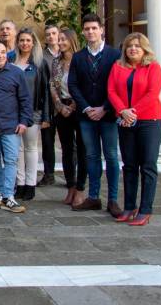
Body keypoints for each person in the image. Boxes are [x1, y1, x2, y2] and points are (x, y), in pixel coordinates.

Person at [68, 14, 122, 217]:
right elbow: (72, 84)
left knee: (111, 156)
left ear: (101, 30)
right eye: (87, 29)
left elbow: (118, 85)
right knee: (91, 156)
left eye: (94, 28)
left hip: (108, 114)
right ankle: (93, 197)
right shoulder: (79, 56)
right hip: (86, 116)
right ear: (83, 31)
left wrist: (105, 108)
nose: (90, 32)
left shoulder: (115, 55)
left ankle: (113, 199)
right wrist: (86, 108)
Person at [108, 33, 161, 226]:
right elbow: (111, 91)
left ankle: (145, 209)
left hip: (150, 121)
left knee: (147, 166)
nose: (133, 49)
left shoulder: (153, 67)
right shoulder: (118, 66)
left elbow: (153, 93)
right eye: (130, 46)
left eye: (137, 47)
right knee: (130, 166)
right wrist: (123, 111)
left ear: (145, 49)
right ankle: (129, 207)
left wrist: (132, 112)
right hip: (125, 121)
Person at [0, 40, 32, 213]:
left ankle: (9, 196)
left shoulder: (17, 73)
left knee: (11, 160)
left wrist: (24, 121)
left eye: (3, 52)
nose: (0, 55)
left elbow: (25, 99)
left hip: (11, 125)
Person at [11, 28, 50, 202]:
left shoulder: (40, 63)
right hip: (12, 112)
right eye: (22, 40)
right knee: (17, 150)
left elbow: (46, 91)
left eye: (28, 40)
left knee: (31, 148)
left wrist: (46, 117)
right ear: (17, 42)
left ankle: (30, 184)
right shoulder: (11, 60)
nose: (24, 43)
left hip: (33, 112)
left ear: (33, 42)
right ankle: (19, 183)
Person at [50, 29, 87, 206]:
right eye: (60, 39)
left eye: (64, 39)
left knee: (82, 149)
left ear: (72, 40)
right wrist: (59, 105)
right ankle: (70, 186)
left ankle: (80, 187)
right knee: (66, 149)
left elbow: (84, 85)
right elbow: (52, 84)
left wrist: (72, 106)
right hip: (61, 108)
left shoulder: (81, 59)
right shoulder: (56, 61)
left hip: (78, 107)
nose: (60, 42)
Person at [38, 24, 60, 187]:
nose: (51, 36)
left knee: (70, 143)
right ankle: (49, 173)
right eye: (48, 34)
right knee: (47, 141)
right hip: (48, 105)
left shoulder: (68, 54)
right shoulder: (42, 57)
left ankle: (70, 175)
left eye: (54, 33)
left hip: (66, 105)